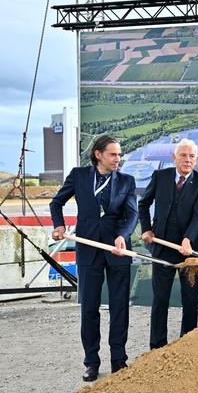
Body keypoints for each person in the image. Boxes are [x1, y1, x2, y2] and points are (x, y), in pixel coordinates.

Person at [50, 135, 138, 382]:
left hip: (117, 250)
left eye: (119, 154)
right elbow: (56, 202)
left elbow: (132, 215)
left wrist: (122, 236)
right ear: (98, 155)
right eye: (113, 154)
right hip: (88, 250)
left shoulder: (126, 181)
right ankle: (91, 362)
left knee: (119, 306)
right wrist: (59, 225)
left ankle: (118, 359)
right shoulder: (79, 176)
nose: (118, 159)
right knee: (89, 307)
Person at [138, 139, 198, 349]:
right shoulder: (160, 176)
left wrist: (188, 239)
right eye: (183, 155)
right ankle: (157, 346)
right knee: (160, 299)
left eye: (191, 156)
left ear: (196, 159)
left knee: (190, 299)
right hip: (162, 248)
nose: (187, 160)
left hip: (190, 250)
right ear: (174, 158)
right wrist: (146, 229)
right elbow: (143, 204)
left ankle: (187, 344)